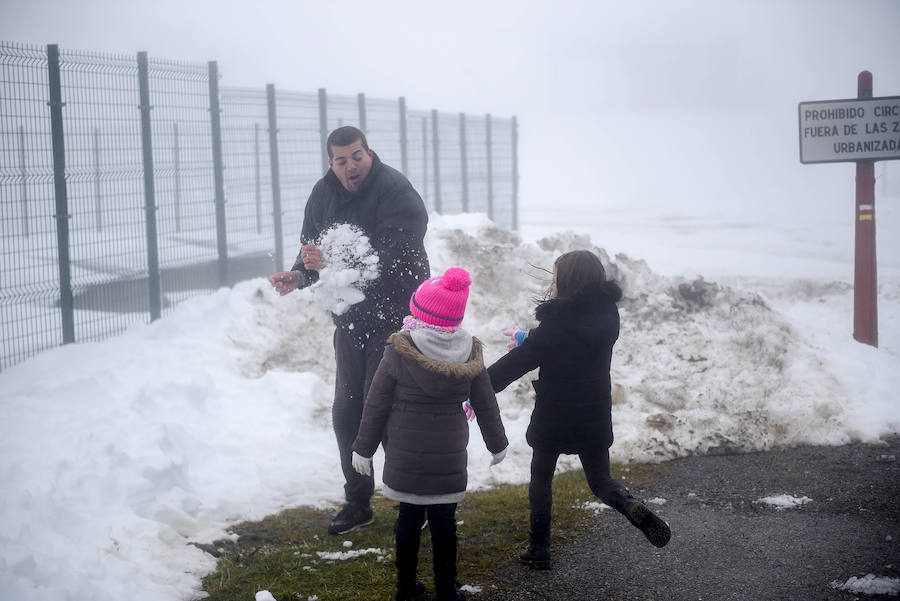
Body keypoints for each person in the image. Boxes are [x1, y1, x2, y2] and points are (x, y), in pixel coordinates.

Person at [269, 126, 430, 535]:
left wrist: (331, 267)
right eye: (341, 160)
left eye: (356, 156)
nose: (350, 166)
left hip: (397, 318)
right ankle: (358, 502)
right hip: (351, 318)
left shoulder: (396, 192)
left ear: (368, 153)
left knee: (389, 411)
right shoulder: (323, 193)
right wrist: (300, 275)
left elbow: (396, 262)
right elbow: (313, 250)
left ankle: (411, 502)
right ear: (331, 162)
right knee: (347, 413)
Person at [487, 250, 671, 570]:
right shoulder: (608, 315)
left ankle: (539, 549)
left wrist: (476, 388)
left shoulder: (554, 324)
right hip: (594, 412)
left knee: (541, 479)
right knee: (600, 480)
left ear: (568, 282)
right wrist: (526, 337)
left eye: (556, 278)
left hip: (554, 415)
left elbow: (516, 363)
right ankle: (629, 505)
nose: (553, 284)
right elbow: (564, 341)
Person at [351, 267, 508, 601]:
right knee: (444, 522)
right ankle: (447, 591)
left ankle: (405, 588)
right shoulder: (470, 351)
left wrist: (362, 448)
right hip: (448, 453)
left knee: (408, 517)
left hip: (406, 451)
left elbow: (375, 403)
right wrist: (498, 443)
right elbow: (485, 402)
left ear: (419, 311)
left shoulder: (398, 349)